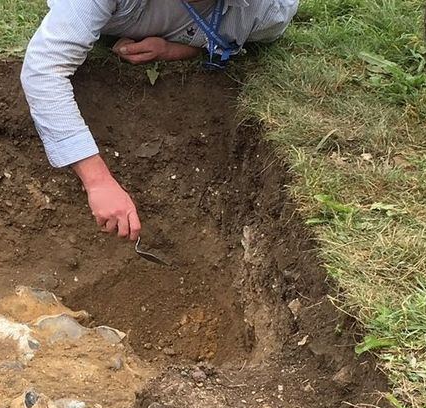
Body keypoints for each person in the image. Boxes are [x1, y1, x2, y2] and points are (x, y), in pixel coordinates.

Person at [21, 0, 298, 241]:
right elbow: (44, 69)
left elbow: (234, 40)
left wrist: (174, 49)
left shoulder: (270, 13)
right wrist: (98, 182)